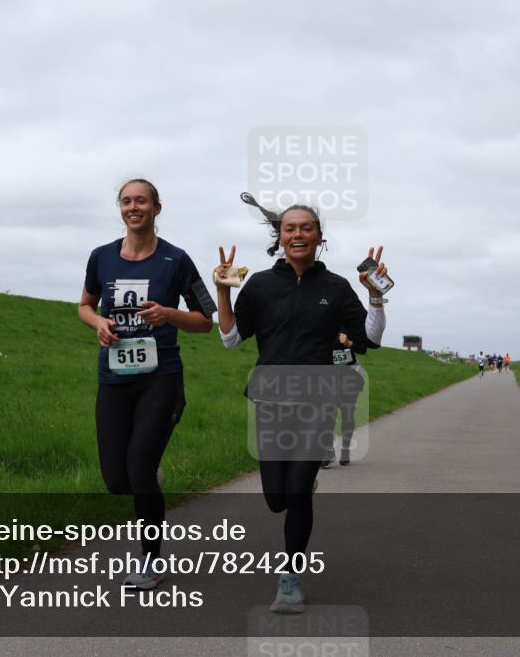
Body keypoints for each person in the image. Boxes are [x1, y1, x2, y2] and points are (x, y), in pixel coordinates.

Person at [215, 205, 387, 614]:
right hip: (271, 398)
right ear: (280, 236)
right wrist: (223, 291)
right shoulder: (258, 285)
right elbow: (230, 339)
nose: (298, 234)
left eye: (306, 228)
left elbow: (370, 337)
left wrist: (376, 295)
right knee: (276, 498)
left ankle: (290, 578)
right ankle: (301, 485)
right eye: (290, 228)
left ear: (317, 235)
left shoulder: (337, 285)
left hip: (317, 399)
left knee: (297, 492)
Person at [78, 178, 215, 590]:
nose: (133, 207)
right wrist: (99, 321)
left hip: (161, 378)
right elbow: (84, 305)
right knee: (117, 480)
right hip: (114, 378)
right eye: (126, 201)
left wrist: (169, 315)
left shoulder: (176, 260)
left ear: (157, 207)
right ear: (120, 208)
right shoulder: (101, 257)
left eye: (141, 201)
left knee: (137, 467)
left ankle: (149, 560)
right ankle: (149, 477)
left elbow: (206, 320)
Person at [322, 330, 367, 467]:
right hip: (329, 378)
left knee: (347, 414)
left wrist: (349, 343)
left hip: (350, 378)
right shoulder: (323, 324)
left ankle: (345, 450)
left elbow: (363, 349)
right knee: (327, 414)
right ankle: (328, 451)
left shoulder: (350, 326)